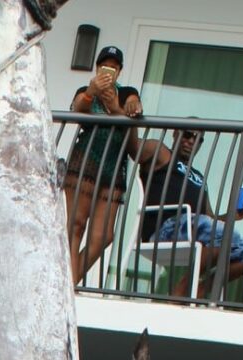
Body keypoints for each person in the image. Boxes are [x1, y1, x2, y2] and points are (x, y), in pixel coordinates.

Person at [138, 125, 243, 297]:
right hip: (164, 227)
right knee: (223, 233)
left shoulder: (199, 177)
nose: (191, 141)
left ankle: (201, 288)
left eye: (197, 139)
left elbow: (210, 218)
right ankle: (183, 288)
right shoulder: (161, 153)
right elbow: (132, 147)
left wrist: (232, 215)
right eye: (187, 135)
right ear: (175, 134)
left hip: (194, 225)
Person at [64, 45, 144, 284]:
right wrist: (92, 91)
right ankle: (69, 286)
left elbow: (134, 105)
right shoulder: (86, 90)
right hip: (85, 163)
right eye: (104, 66)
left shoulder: (127, 91)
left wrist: (119, 108)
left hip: (113, 168)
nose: (109, 70)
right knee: (76, 225)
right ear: (98, 68)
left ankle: (68, 283)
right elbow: (79, 107)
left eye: (114, 67)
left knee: (103, 236)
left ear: (119, 71)